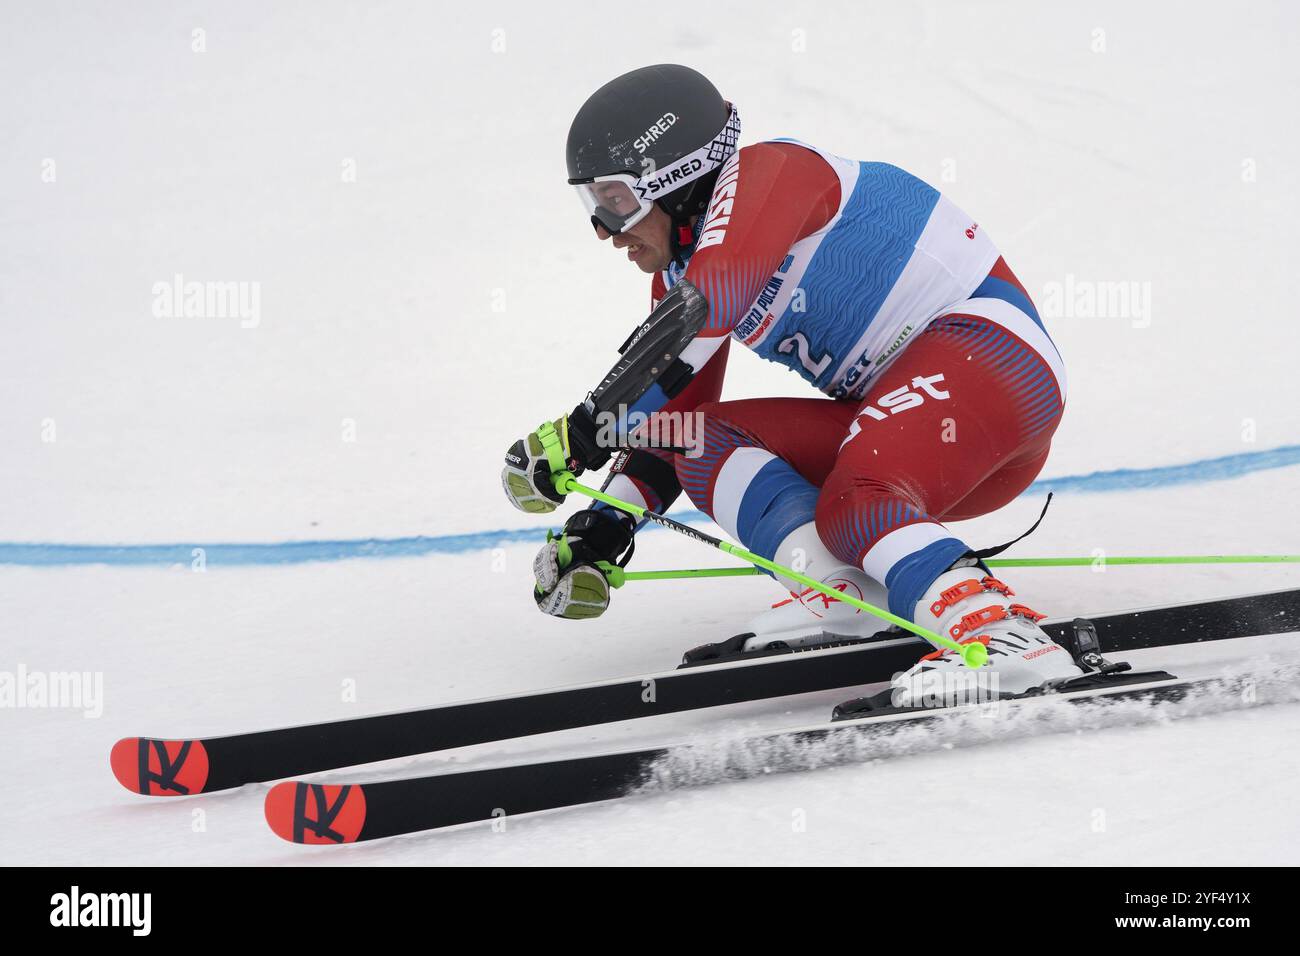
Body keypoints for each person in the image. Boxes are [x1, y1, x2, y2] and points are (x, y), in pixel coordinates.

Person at [502, 64, 1083, 703]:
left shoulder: (771, 173)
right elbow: (669, 426)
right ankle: (843, 597)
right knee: (700, 440)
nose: (603, 233)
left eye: (614, 201)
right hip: (931, 436)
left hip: (996, 365)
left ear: (674, 179)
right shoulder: (683, 283)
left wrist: (580, 432)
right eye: (592, 206)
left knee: (854, 500)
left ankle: (1004, 638)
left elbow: (715, 297)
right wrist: (605, 524)